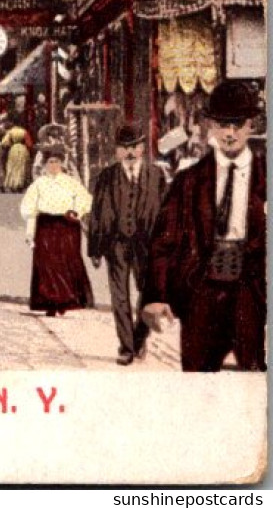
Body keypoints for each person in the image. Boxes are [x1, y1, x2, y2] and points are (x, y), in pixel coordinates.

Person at [143, 80, 267, 372]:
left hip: (251, 293)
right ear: (211, 126)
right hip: (201, 293)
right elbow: (164, 240)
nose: (230, 133)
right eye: (223, 124)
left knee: (255, 382)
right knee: (196, 378)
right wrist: (156, 296)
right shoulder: (189, 181)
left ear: (251, 125)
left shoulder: (266, 178)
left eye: (238, 124)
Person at [87, 123, 168, 365]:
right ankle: (126, 348)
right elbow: (97, 213)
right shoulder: (107, 176)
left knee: (147, 292)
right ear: (117, 151)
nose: (130, 152)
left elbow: (165, 213)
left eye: (134, 147)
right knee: (119, 295)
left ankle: (138, 338)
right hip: (116, 243)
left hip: (147, 244)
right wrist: (95, 249)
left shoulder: (156, 175)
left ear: (143, 148)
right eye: (125, 148)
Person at [19, 145, 94, 317]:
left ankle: (65, 300)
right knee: (47, 264)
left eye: (57, 162)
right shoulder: (39, 184)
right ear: (45, 165)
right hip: (45, 226)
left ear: (62, 164)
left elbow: (86, 200)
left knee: (65, 262)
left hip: (67, 226)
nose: (53, 166)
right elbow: (29, 207)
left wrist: (77, 211)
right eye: (50, 162)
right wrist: (30, 232)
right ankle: (49, 301)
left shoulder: (70, 183)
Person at [2, 123, 34, 193]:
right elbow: (29, 144)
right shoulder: (24, 131)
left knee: (13, 167)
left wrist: (11, 144)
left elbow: (4, 142)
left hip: (13, 149)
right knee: (22, 167)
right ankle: (20, 184)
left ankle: (13, 184)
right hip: (23, 149)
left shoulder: (10, 132)